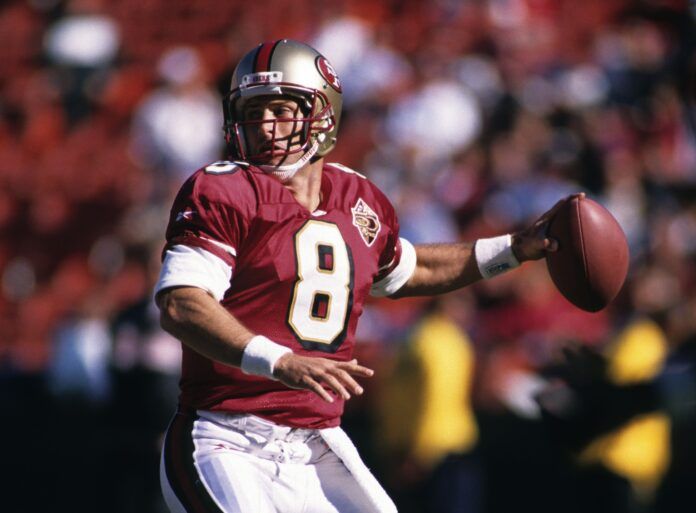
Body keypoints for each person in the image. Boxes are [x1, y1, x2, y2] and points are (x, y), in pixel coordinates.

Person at [154, 39, 574, 513]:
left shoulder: (357, 198)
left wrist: (513, 250)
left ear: (323, 114)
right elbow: (181, 302)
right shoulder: (225, 188)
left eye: (280, 109)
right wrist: (280, 361)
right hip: (225, 437)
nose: (265, 126)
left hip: (316, 445)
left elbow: (408, 269)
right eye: (254, 111)